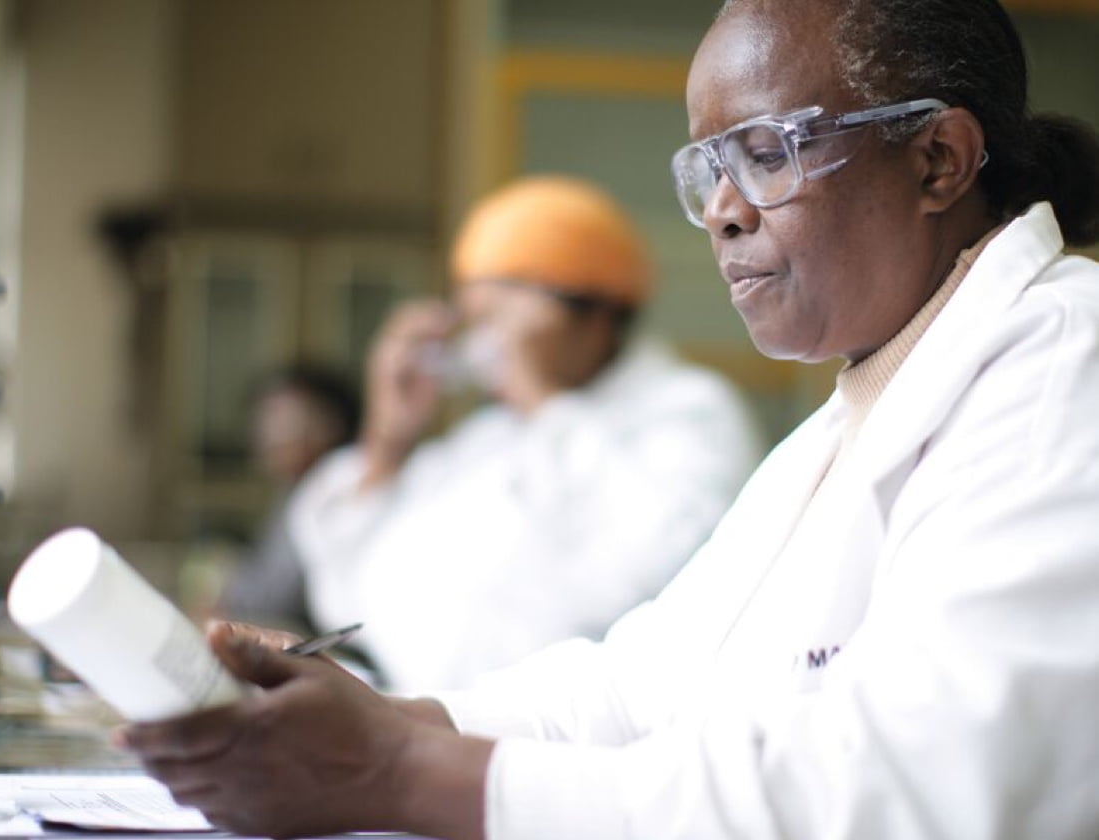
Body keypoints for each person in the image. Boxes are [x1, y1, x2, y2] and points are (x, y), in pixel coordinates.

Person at [120, 0, 1099, 838]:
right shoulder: (854, 409)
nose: (721, 211)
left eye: (764, 154)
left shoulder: (1062, 363)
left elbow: (911, 791)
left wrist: (392, 771)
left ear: (937, 161)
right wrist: (385, 719)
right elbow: (638, 687)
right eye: (709, 168)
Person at [285, 175, 763, 691]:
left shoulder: (690, 411)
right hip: (424, 723)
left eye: (501, 318)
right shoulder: (492, 435)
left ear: (595, 315)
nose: (488, 344)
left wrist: (540, 397)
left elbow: (654, 573)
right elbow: (345, 586)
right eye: (476, 321)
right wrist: (387, 443)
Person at [216, 362, 360, 634]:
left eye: (283, 420)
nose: (266, 435)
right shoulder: (295, 491)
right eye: (263, 420)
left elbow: (273, 600)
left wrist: (223, 606)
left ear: (329, 424)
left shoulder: (332, 489)